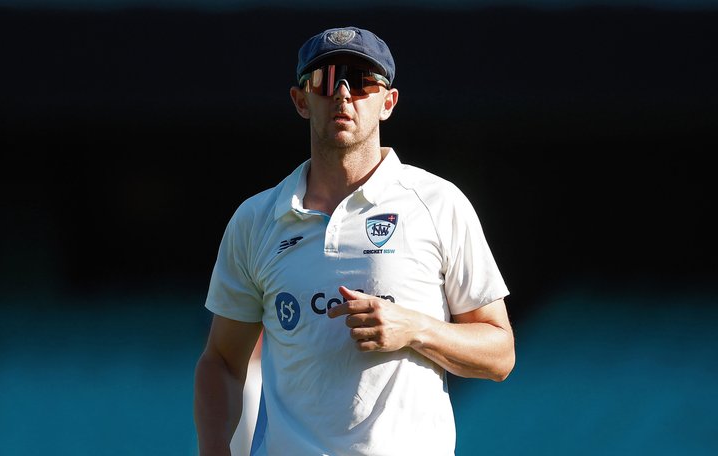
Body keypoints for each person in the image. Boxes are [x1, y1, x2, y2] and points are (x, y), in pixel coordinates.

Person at [193, 26, 515, 456]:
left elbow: (500, 353)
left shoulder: (439, 203)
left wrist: (415, 328)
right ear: (301, 100)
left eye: (362, 80)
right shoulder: (257, 219)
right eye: (326, 80)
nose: (343, 93)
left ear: (388, 102)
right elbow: (222, 363)